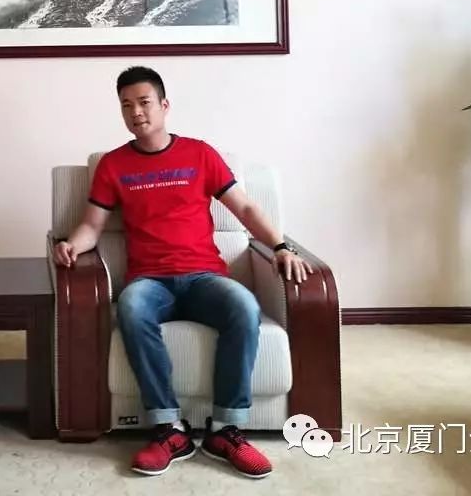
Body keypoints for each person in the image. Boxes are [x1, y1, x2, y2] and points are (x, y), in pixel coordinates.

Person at [53, 67, 310, 480]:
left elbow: (245, 209)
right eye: (126, 106)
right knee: (131, 307)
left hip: (204, 276)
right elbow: (92, 225)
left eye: (144, 102)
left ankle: (225, 431)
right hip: (149, 281)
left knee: (244, 306)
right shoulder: (113, 165)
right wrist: (72, 245)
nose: (136, 112)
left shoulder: (200, 154)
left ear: (164, 105)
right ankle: (169, 430)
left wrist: (281, 247)